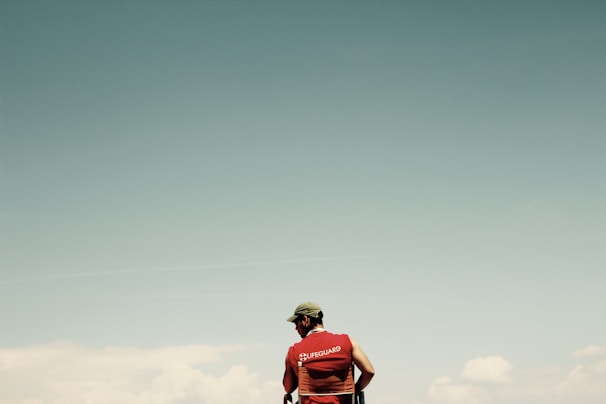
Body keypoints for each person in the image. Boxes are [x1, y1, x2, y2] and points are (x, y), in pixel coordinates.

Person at [283, 302, 375, 404]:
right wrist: (354, 390)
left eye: (296, 323)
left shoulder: (294, 351)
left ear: (305, 320)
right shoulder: (347, 342)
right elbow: (369, 371)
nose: (296, 328)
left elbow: (288, 388)